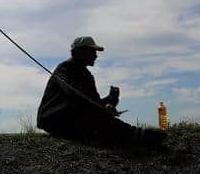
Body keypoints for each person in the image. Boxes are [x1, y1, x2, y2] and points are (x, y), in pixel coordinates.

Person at [36, 36, 167, 146]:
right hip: (54, 119)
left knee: (99, 122)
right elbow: (74, 94)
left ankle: (138, 137)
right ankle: (139, 136)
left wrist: (109, 102)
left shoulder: (87, 76)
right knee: (99, 123)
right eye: (92, 52)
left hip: (72, 117)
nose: (96, 56)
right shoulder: (64, 69)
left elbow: (92, 101)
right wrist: (102, 108)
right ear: (80, 52)